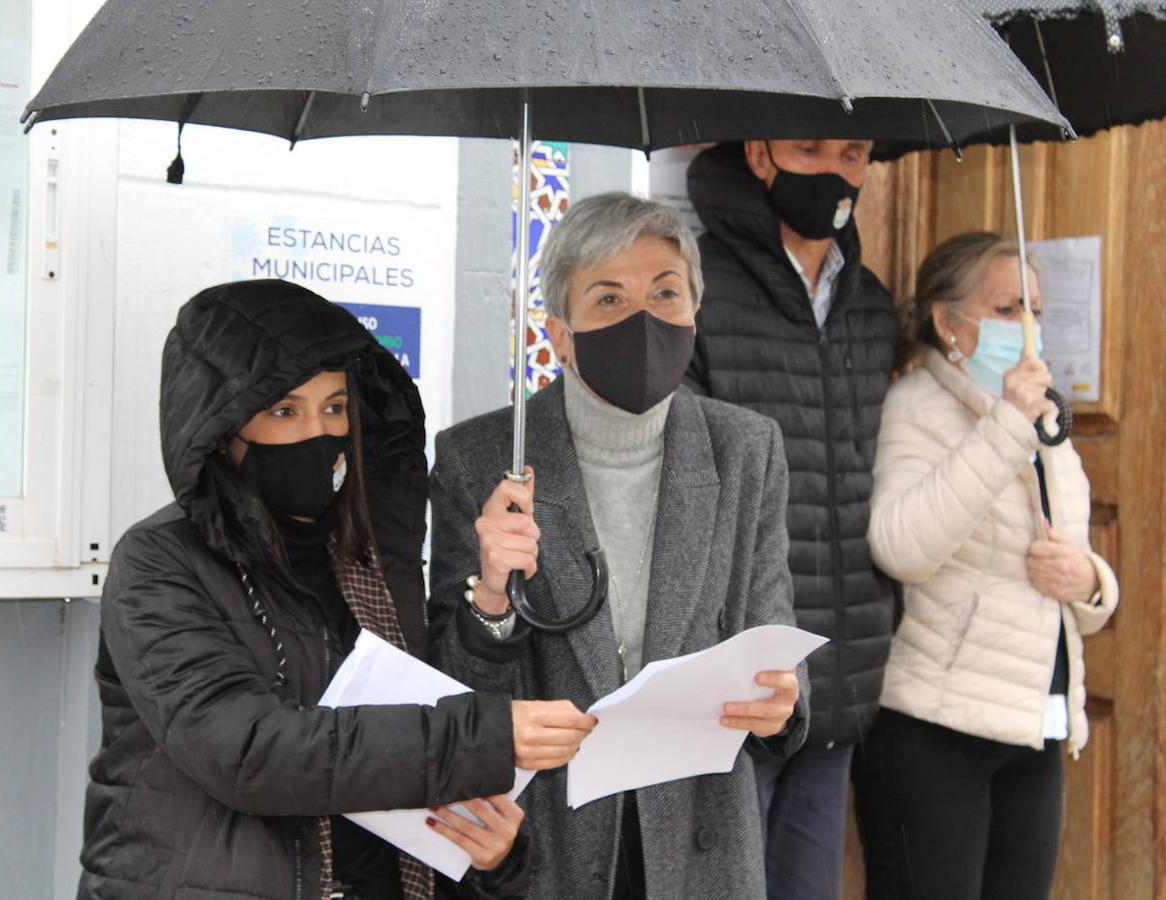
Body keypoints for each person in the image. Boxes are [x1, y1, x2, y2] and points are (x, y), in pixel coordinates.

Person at [78, 279, 597, 900]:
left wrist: (494, 859)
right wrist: (485, 738)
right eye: (284, 411)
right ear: (222, 429)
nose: (318, 432)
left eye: (334, 407)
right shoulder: (159, 562)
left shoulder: (369, 558)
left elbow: (416, 731)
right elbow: (248, 753)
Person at [429, 193, 808, 900]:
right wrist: (489, 593)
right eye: (607, 298)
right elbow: (456, 693)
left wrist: (784, 697)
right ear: (560, 334)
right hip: (545, 843)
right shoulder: (478, 458)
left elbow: (769, 624)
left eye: (665, 292)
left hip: (699, 837)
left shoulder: (746, 448)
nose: (642, 319)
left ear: (695, 310)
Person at [853, 232, 1119, 899]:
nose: (1026, 326)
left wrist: (1090, 583)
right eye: (1006, 308)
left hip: (1036, 720)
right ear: (948, 323)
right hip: (936, 729)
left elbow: (1072, 563)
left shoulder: (1045, 421)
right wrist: (1005, 426)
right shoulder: (917, 408)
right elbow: (902, 546)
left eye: (1035, 307)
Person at [682, 139, 899, 898]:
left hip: (842, 679)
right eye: (810, 149)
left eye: (854, 153)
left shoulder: (870, 304)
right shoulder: (697, 290)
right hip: (743, 676)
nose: (837, 173)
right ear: (760, 155)